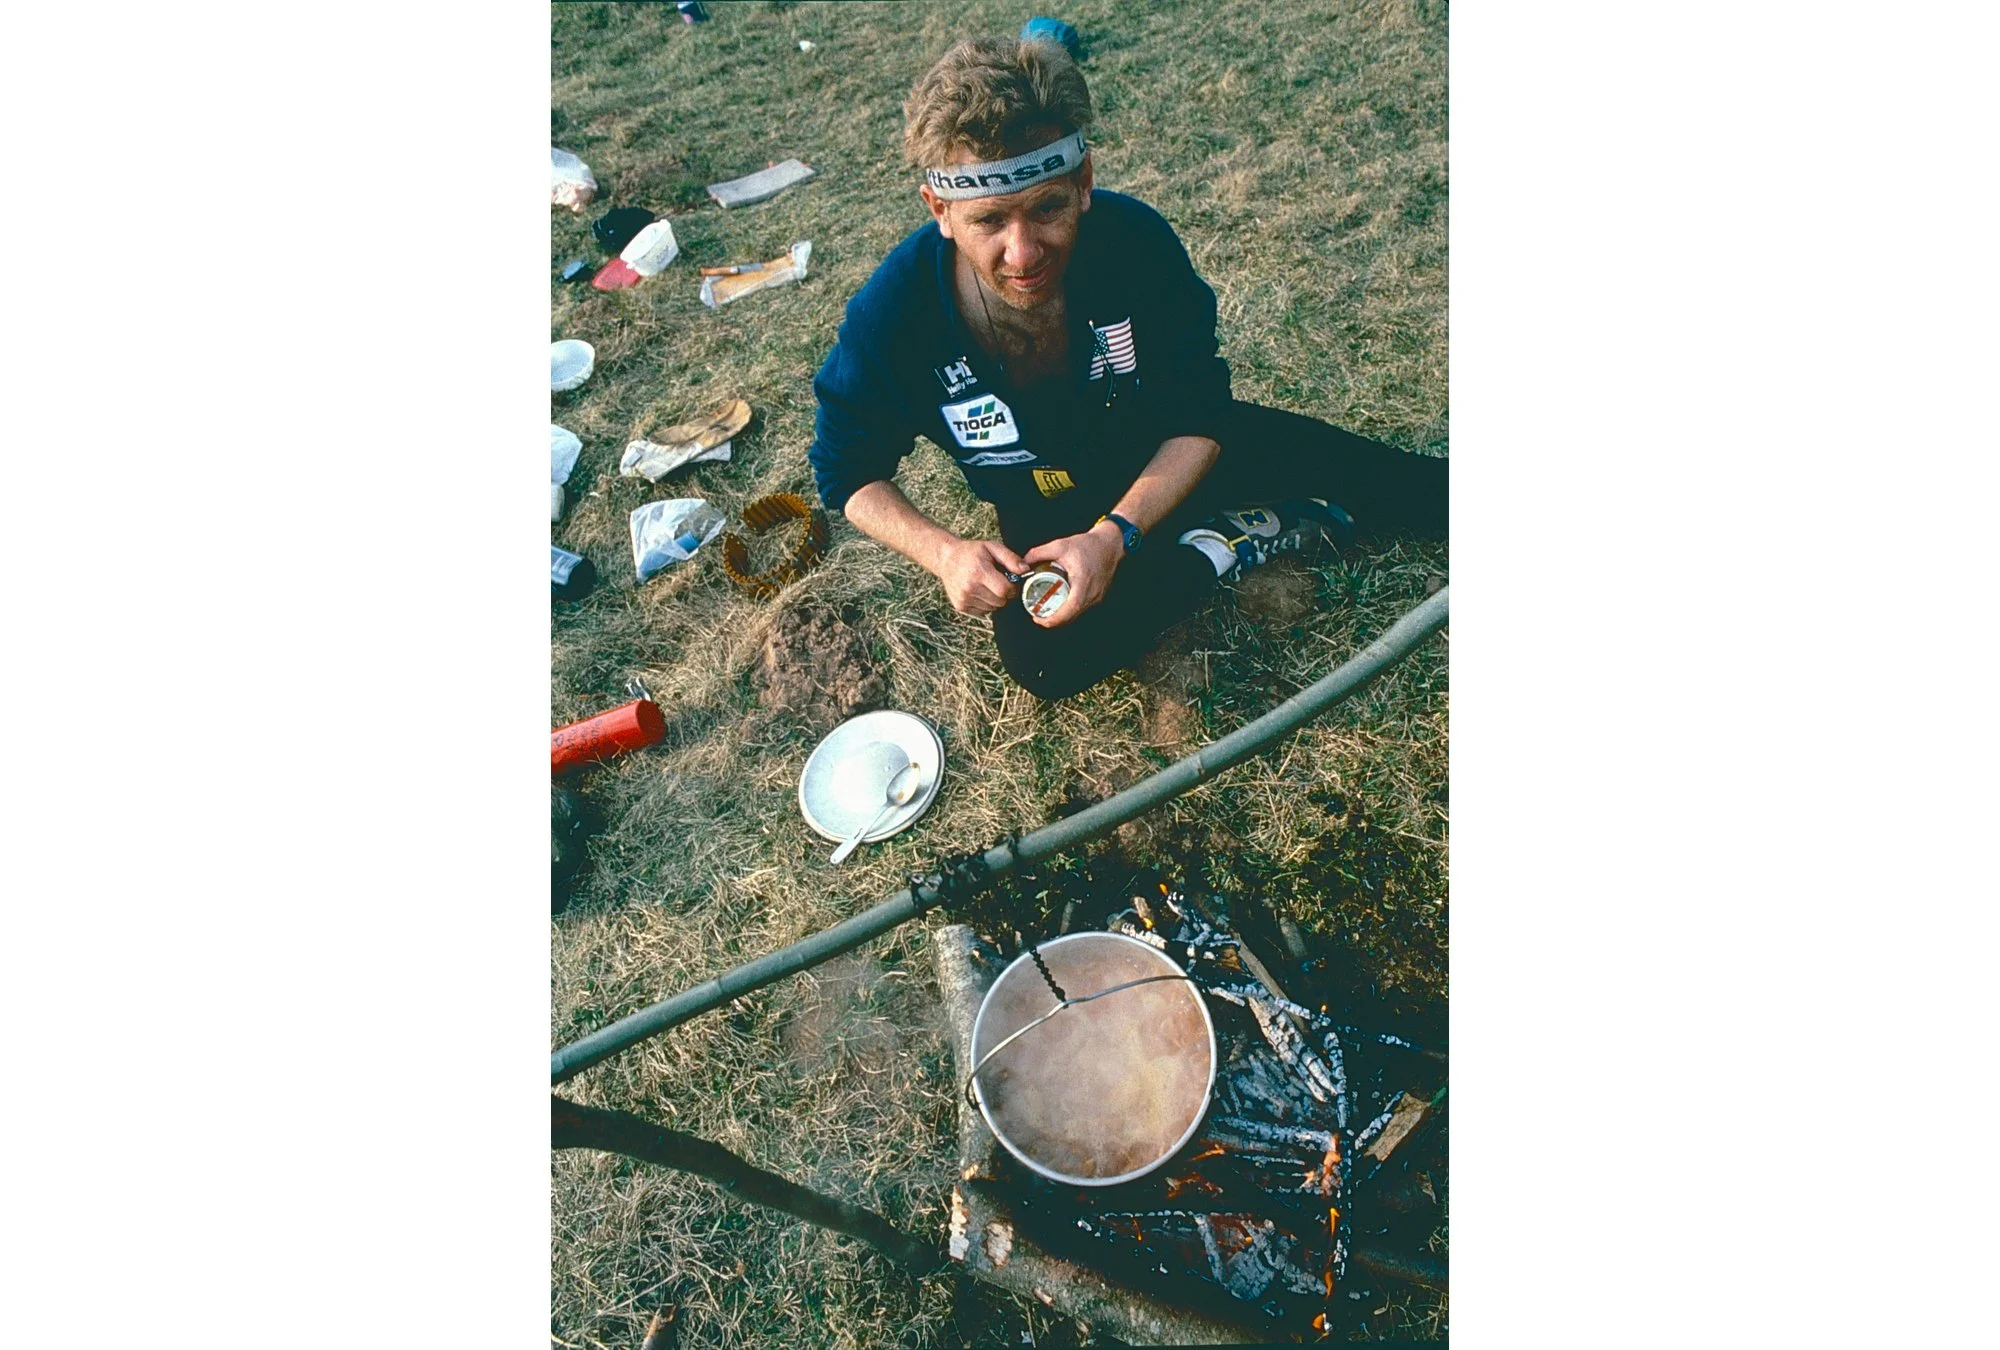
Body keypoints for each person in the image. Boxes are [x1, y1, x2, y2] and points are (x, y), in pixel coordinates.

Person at [808, 35, 1445, 701]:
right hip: (1045, 506)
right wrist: (944, 553)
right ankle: (1222, 541)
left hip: (1171, 455)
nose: (1022, 253)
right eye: (989, 220)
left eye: (1047, 208)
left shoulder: (1135, 243)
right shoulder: (894, 313)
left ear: (1083, 183)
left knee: (1414, 486)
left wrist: (1115, 537)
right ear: (939, 211)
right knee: (1044, 662)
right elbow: (847, 470)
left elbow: (1200, 412)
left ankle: (1211, 527)